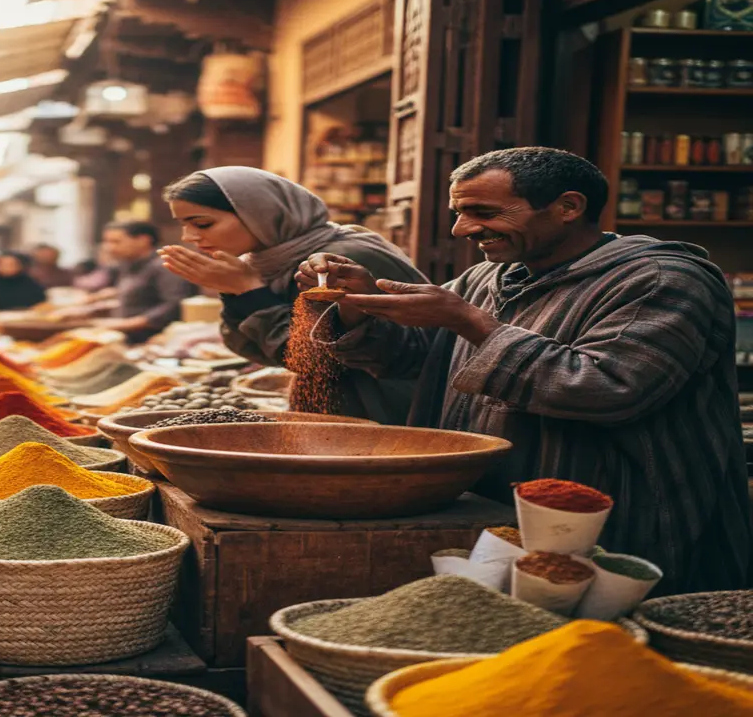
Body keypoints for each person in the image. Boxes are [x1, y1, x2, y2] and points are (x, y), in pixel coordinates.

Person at [298, 147, 751, 593]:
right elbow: (414, 358)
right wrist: (355, 304)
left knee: (613, 643)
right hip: (498, 511)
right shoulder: (485, 278)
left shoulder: (658, 278)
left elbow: (607, 388)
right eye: (459, 212)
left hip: (622, 517)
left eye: (483, 212)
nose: (463, 229)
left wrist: (470, 321)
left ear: (568, 207)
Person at [158, 167, 428, 424]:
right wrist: (236, 289)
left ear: (261, 214)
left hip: (390, 415)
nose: (189, 236)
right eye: (184, 224)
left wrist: (248, 292)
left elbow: (319, 360)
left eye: (202, 223)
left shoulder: (338, 260)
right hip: (336, 413)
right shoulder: (266, 262)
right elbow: (256, 351)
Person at [94, 222, 196, 343]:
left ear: (143, 240)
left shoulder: (164, 265)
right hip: (127, 337)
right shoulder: (128, 264)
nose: (109, 247)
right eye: (107, 242)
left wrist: (127, 324)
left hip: (155, 340)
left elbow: (174, 304)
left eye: (116, 242)